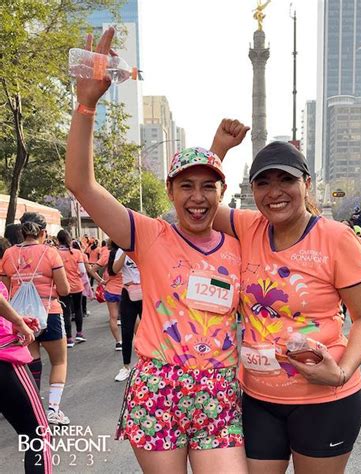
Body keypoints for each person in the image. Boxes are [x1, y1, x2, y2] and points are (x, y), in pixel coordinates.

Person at [65, 27, 246, 473]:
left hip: (218, 390)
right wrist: (86, 105)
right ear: (170, 191)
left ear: (222, 192)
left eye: (208, 186)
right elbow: (81, 185)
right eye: (187, 186)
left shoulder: (241, 244)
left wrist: (218, 147)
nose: (198, 197)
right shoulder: (148, 235)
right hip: (158, 387)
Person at [211, 123, 361, 473]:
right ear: (252, 189)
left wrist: (342, 372)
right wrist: (219, 149)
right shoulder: (250, 226)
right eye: (263, 182)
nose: (274, 192)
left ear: (306, 184)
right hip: (259, 399)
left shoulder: (336, 238)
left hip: (325, 401)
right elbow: (202, 206)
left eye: (285, 180)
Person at [0, 213, 71, 425]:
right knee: (59, 361)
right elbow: (65, 289)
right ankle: (53, 410)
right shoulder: (50, 253)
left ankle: (33, 407)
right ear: (42, 232)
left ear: (22, 231)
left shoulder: (9, 254)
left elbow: (4, 289)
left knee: (31, 361)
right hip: (49, 313)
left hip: (20, 317)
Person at [112, 248, 142, 382]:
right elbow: (114, 269)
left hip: (145, 291)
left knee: (149, 330)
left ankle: (148, 364)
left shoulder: (145, 247)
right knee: (127, 331)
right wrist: (126, 252)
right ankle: (126, 366)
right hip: (128, 292)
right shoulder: (121, 250)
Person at [57, 229, 88, 348]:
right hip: (77, 286)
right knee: (78, 309)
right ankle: (79, 333)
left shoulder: (55, 253)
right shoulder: (77, 253)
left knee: (66, 311)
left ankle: (69, 338)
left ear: (58, 240)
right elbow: (83, 271)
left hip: (62, 286)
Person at [92, 240, 123, 351]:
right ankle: (136, 341)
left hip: (111, 290)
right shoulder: (126, 254)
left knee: (113, 317)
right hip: (125, 290)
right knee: (131, 318)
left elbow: (92, 270)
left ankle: (118, 342)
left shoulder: (107, 254)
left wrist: (101, 281)